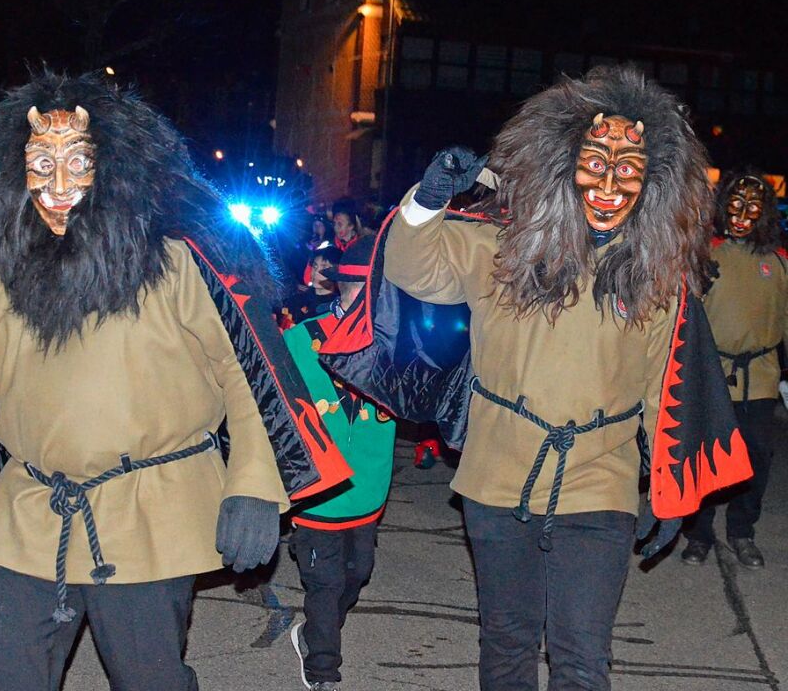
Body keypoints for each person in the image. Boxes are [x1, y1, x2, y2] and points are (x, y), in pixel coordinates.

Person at [0, 70, 349, 691]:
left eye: (78, 160)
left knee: (150, 680)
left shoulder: (178, 258)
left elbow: (246, 370)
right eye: (40, 163)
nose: (60, 183)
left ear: (116, 168)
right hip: (30, 514)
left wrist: (256, 484)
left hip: (152, 510)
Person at [323, 66, 752, 690]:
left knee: (582, 658)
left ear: (654, 183)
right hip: (499, 479)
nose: (609, 183)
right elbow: (413, 269)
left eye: (628, 167)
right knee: (508, 645)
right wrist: (428, 198)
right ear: (558, 163)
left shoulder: (659, 279)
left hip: (599, 486)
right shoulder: (502, 250)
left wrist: (672, 490)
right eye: (595, 162)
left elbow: (668, 386)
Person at [284, 234, 396, 691]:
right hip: (317, 492)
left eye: (375, 291)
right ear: (339, 288)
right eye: (356, 289)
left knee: (357, 575)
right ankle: (323, 670)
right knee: (325, 584)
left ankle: (313, 631)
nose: (363, 300)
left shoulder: (396, 346)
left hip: (369, 491)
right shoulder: (299, 339)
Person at [681, 169, 788, 569]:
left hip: (759, 376)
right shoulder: (704, 255)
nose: (742, 213)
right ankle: (698, 534)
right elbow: (682, 320)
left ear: (764, 214)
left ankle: (743, 531)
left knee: (757, 455)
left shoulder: (778, 263)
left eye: (752, 206)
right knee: (705, 456)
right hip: (711, 373)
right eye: (734, 203)